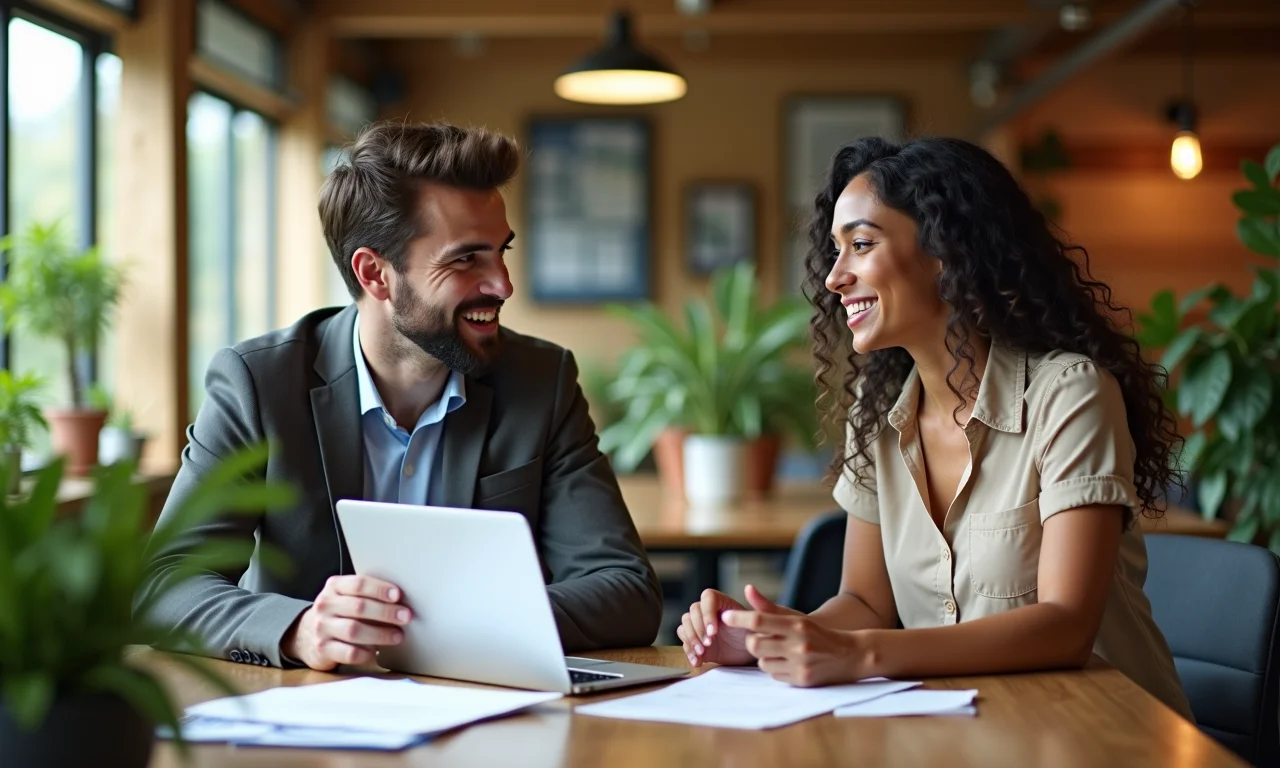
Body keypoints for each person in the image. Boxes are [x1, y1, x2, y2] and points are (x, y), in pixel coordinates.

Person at [677, 136, 1194, 719]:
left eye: (862, 245)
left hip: (1105, 732)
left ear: (946, 251)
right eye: (835, 251)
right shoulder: (877, 418)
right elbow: (865, 604)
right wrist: (764, 638)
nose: (835, 278)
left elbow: (1065, 626)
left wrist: (860, 653)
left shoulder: (1068, 394)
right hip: (971, 732)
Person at [138, 120, 663, 671]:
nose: (503, 284)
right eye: (466, 259)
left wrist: (452, 624)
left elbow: (626, 589)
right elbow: (166, 587)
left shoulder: (541, 380)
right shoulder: (260, 384)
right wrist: (298, 630)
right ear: (375, 274)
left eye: (501, 252)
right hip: (308, 727)